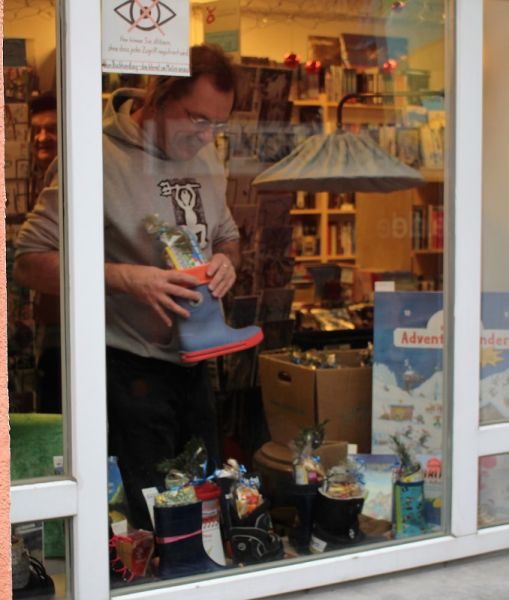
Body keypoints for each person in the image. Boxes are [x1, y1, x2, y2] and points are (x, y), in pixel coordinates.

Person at [14, 44, 240, 531]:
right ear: (158, 97)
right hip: (125, 370)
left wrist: (226, 260)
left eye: (218, 125)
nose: (207, 136)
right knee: (147, 523)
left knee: (205, 512)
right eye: (197, 119)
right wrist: (125, 278)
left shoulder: (206, 153)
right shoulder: (92, 155)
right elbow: (29, 262)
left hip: (195, 365)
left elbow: (227, 236)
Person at [28, 92, 61, 413]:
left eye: (51, 129)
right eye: (36, 130)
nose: (41, 137)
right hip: (48, 331)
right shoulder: (46, 181)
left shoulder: (74, 183)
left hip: (67, 332)